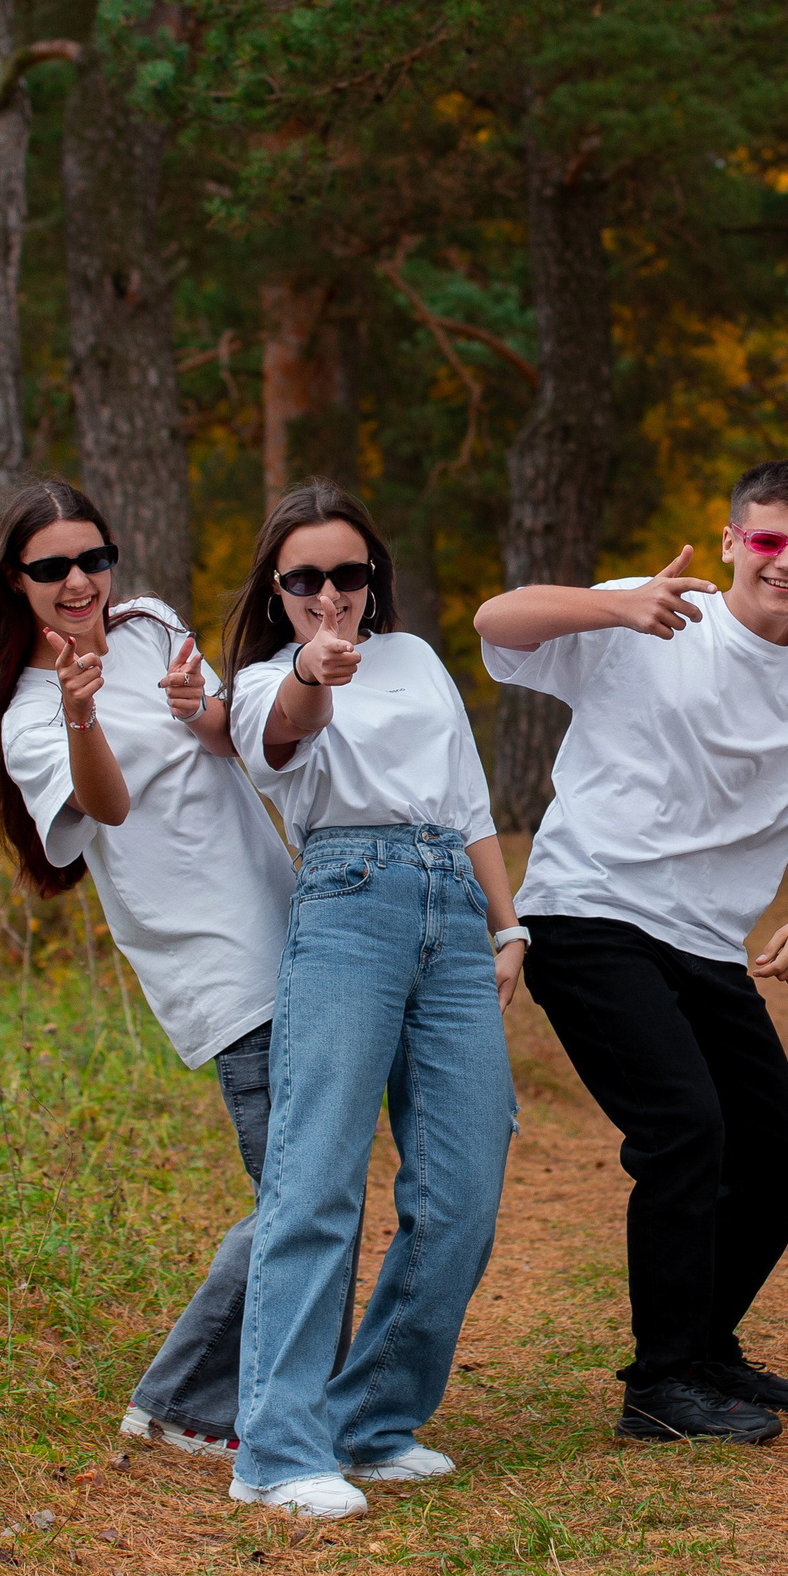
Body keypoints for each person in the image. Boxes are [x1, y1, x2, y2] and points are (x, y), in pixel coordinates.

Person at [473, 459, 788, 1445]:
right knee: (686, 1132)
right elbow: (496, 623)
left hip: (703, 940)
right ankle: (661, 1386)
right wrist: (614, 606)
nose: (786, 560)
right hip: (588, 911)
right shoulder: (649, 618)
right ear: (731, 541)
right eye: (766, 539)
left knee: (778, 1156)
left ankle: (705, 1346)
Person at [0, 476, 297, 1462]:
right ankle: (183, 1400)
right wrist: (81, 714)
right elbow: (101, 811)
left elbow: (232, 739)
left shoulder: (150, 625)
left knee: (314, 1189)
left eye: (92, 560)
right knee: (298, 1195)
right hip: (213, 965)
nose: (78, 582)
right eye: (52, 567)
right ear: (16, 583)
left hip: (292, 923)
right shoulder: (29, 710)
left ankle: (257, 1392)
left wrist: (202, 709)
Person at [221, 481, 520, 1522]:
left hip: (451, 903)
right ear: (279, 589)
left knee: (464, 1183)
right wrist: (312, 668)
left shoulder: (420, 658)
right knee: (317, 1182)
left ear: (373, 578)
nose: (330, 594)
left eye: (348, 575)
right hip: (349, 901)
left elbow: (471, 796)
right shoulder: (265, 680)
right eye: (305, 578)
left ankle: (371, 1419)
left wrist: (507, 922)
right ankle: (275, 1449)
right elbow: (282, 736)